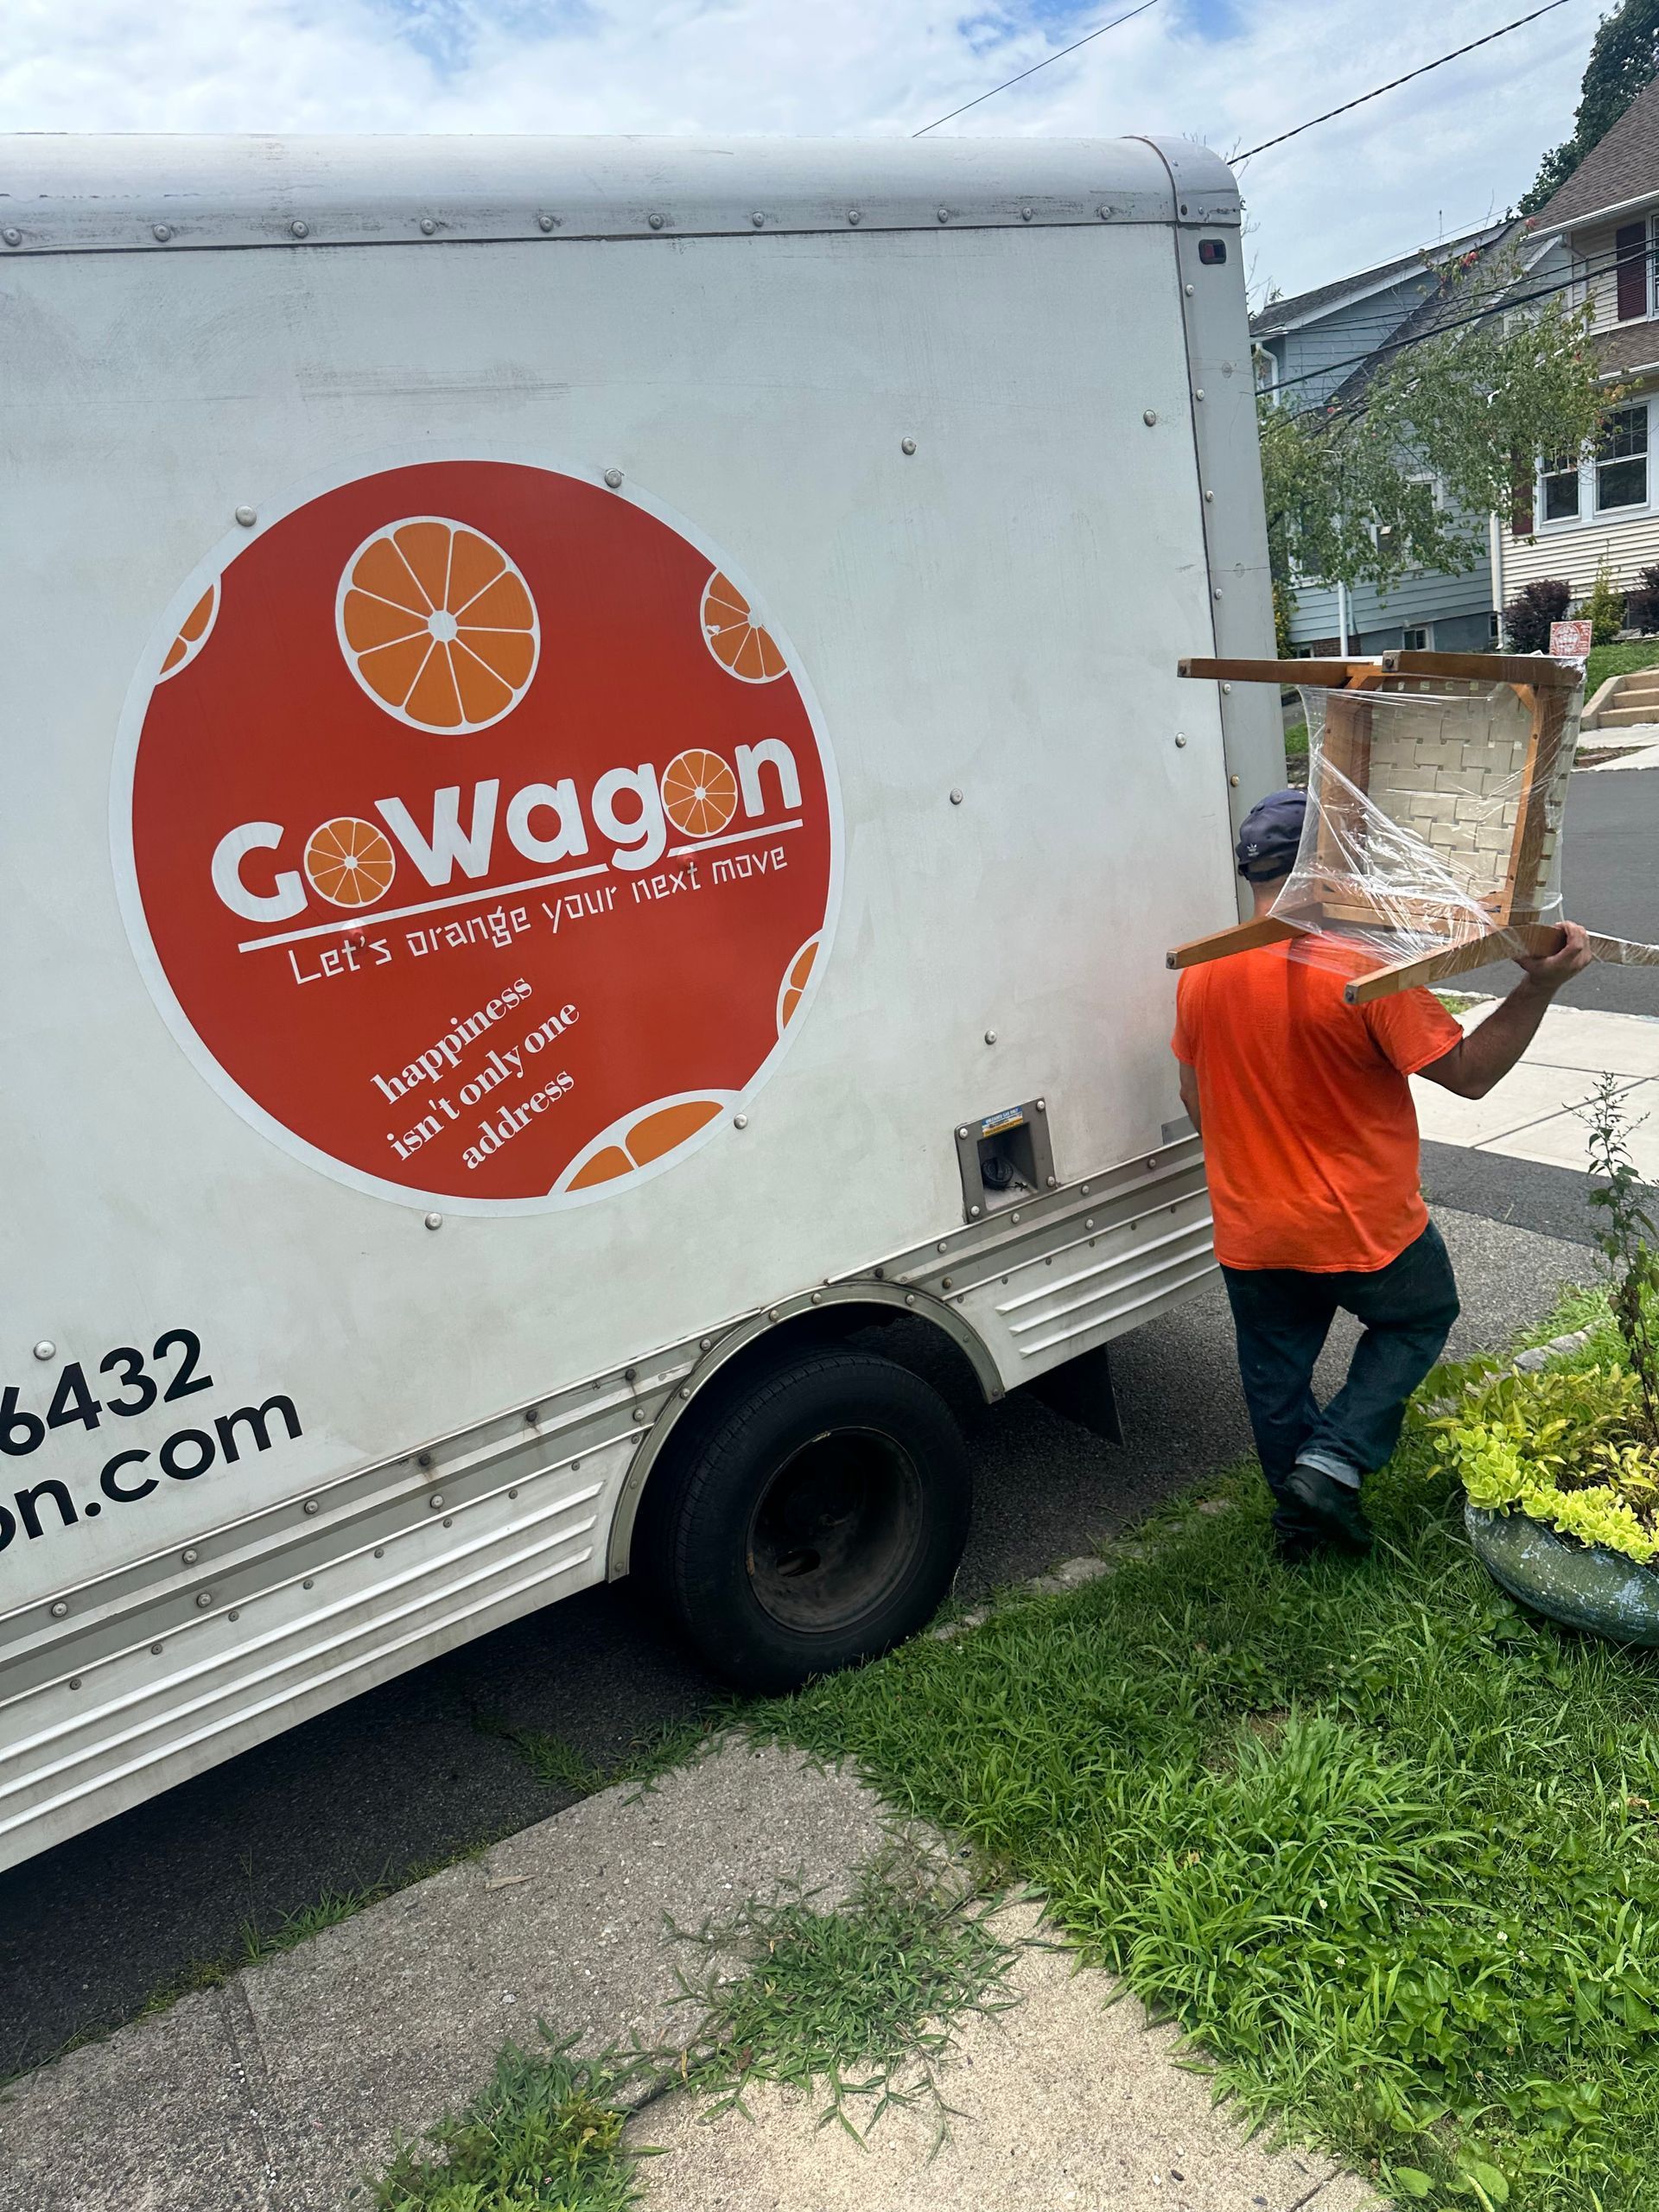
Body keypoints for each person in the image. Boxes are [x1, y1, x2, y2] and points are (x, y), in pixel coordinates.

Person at [1171, 787, 1592, 1560]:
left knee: (1275, 1381)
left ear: (1252, 873)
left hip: (1251, 1228)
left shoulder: (1204, 970)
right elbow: (1468, 1073)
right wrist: (1539, 985)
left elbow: (1193, 1095)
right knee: (1420, 1316)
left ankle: (1301, 1534)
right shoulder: (1357, 964)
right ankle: (1333, 1463)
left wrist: (1256, 1162)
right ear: (1327, 864)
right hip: (1361, 1226)